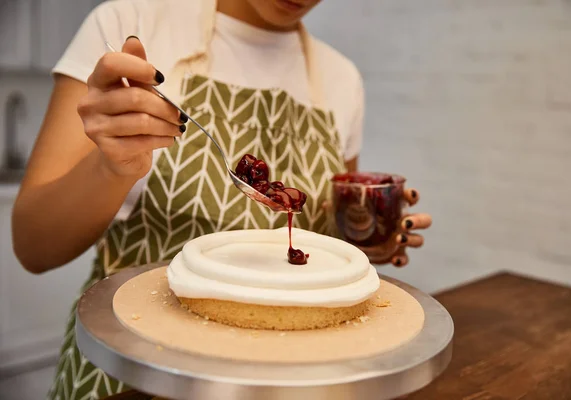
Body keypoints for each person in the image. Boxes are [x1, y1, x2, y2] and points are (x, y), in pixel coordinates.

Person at [11, 0, 432, 398]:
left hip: (288, 381)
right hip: (133, 377)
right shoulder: (130, 25)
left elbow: (328, 239)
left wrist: (366, 238)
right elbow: (34, 246)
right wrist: (113, 168)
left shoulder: (341, 79)